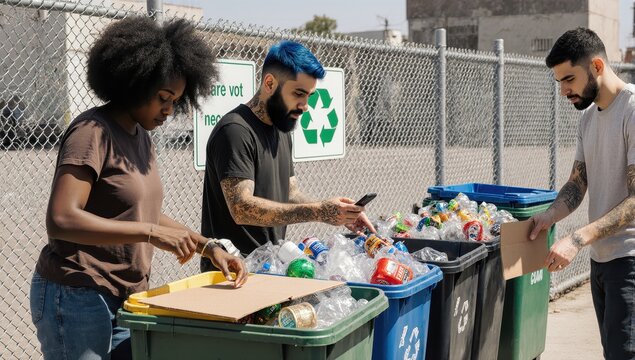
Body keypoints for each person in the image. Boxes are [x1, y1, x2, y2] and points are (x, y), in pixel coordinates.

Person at [30, 17, 247, 360]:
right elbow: (60, 219)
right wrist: (148, 233)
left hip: (126, 296)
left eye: (175, 100)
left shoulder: (141, 138)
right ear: (134, 81)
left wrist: (209, 247)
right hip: (77, 293)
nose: (169, 110)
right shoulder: (92, 132)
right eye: (163, 97)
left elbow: (143, 213)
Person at [201, 40, 375, 271]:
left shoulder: (281, 129)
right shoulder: (235, 131)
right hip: (230, 272)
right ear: (270, 83)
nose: (304, 105)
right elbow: (241, 208)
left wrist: (339, 212)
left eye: (309, 96)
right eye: (298, 94)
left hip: (268, 266)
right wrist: (319, 211)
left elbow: (290, 192)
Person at [530, 27, 635, 359]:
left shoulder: (632, 110)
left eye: (569, 79)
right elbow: (578, 183)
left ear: (598, 67)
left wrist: (576, 240)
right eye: (559, 82)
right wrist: (549, 216)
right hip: (601, 261)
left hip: (629, 262)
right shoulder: (589, 117)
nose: (564, 91)